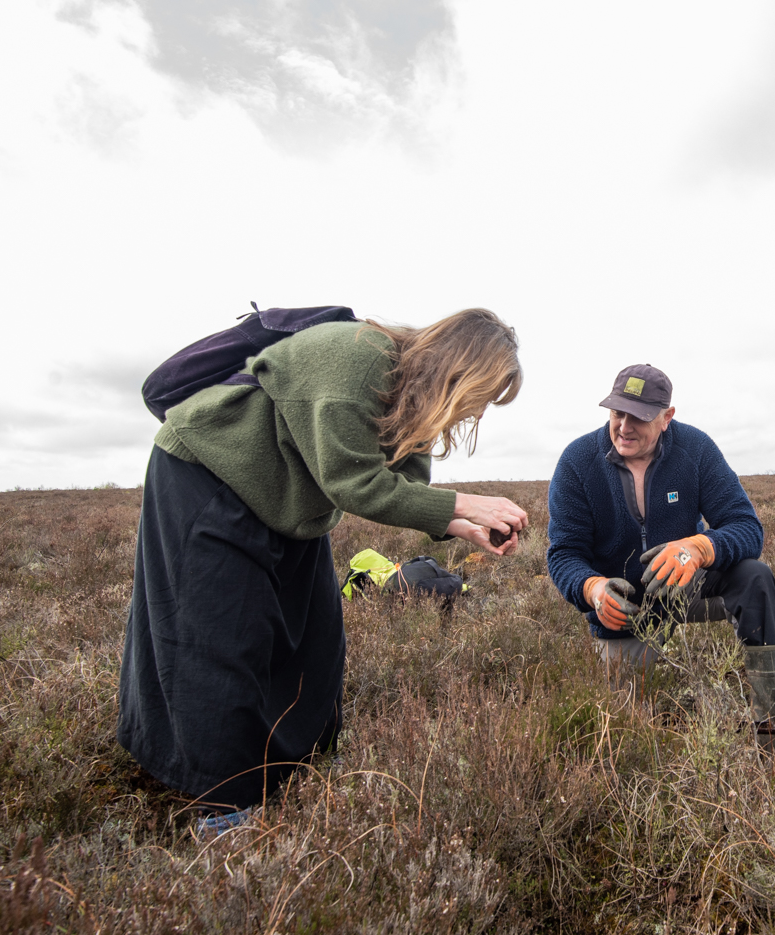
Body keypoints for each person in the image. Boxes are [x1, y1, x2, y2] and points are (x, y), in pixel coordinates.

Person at [118, 308, 530, 815]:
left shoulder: (411, 397)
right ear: (459, 369)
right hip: (208, 476)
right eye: (483, 395)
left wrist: (459, 526)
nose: (479, 412)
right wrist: (467, 504)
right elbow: (354, 483)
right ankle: (225, 807)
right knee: (221, 641)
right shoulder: (358, 356)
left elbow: (404, 486)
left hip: (287, 501)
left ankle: (303, 766)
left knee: (316, 639)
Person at [545, 364, 775, 765]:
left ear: (666, 417)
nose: (624, 426)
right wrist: (593, 590)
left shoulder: (694, 449)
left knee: (755, 578)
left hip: (688, 587)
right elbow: (563, 553)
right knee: (626, 733)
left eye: (639, 417)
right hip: (625, 610)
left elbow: (747, 528)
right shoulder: (578, 462)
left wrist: (697, 548)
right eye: (616, 413)